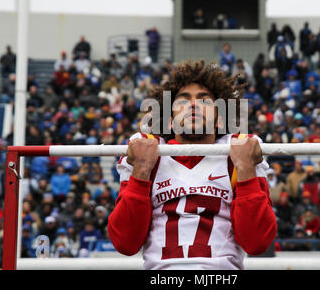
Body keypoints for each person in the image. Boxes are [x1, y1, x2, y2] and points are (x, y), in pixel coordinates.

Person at [108, 60, 277, 270]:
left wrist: (245, 169)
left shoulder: (238, 153)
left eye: (204, 100)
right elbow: (125, 243)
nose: (194, 105)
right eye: (183, 100)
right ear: (170, 121)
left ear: (219, 120)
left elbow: (257, 243)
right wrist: (142, 170)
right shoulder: (149, 153)